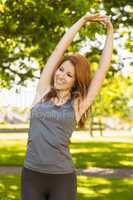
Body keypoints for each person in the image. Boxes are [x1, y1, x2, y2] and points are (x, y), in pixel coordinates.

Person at [21, 12, 113, 200]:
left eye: (69, 75)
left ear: (75, 81)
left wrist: (110, 31)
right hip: (31, 174)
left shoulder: (78, 104)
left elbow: (103, 68)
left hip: (62, 179)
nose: (61, 75)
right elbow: (58, 50)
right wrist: (83, 20)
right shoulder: (43, 92)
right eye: (61, 69)